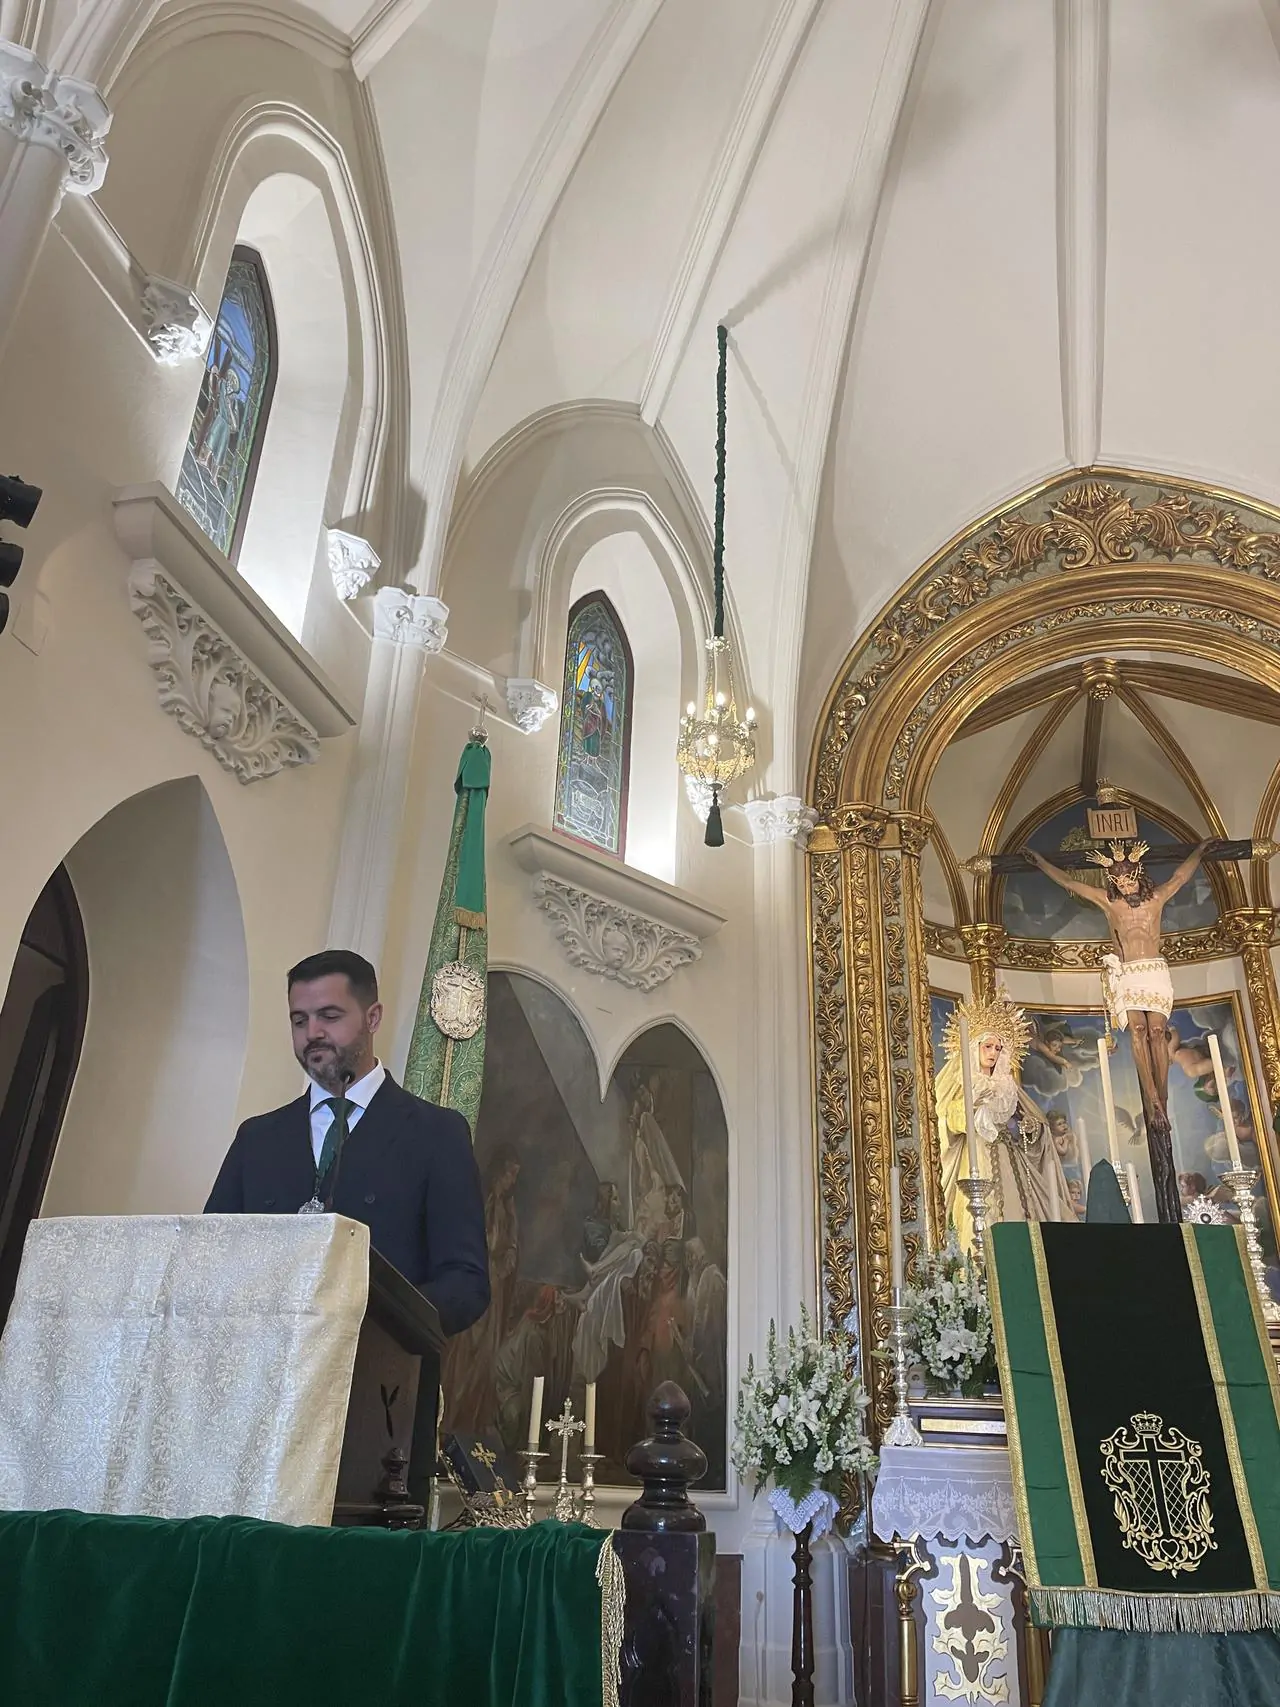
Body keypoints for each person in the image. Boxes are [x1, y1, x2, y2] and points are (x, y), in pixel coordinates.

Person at [205, 949, 489, 1336]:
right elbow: (209, 1258)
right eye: (299, 1020)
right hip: (256, 1360)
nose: (312, 1033)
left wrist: (363, 1326)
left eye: (329, 1016)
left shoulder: (436, 1134)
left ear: (373, 1018)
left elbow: (465, 1283)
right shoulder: (257, 1139)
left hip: (374, 1363)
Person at [1026, 837, 1209, 1222]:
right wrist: (1041, 862)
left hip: (1153, 970)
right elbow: (1071, 883)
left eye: (1129, 878)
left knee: (1158, 1034)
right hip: (1127, 973)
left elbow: (1180, 876)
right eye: (1119, 881)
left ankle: (1160, 1098)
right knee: (1138, 1032)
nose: (1125, 885)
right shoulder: (1110, 904)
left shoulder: (1157, 898)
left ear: (1138, 874)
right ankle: (1153, 1098)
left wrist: (1201, 851)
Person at [935, 997, 1075, 1253]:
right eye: (987, 1046)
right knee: (980, 1220)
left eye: (998, 1048)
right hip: (976, 1158)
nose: (993, 1053)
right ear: (973, 1047)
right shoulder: (964, 1082)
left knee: (1018, 1215)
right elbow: (944, 1121)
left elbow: (1032, 1124)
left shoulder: (1007, 1087)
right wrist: (971, 1107)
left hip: (1011, 1161)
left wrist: (1030, 1130)